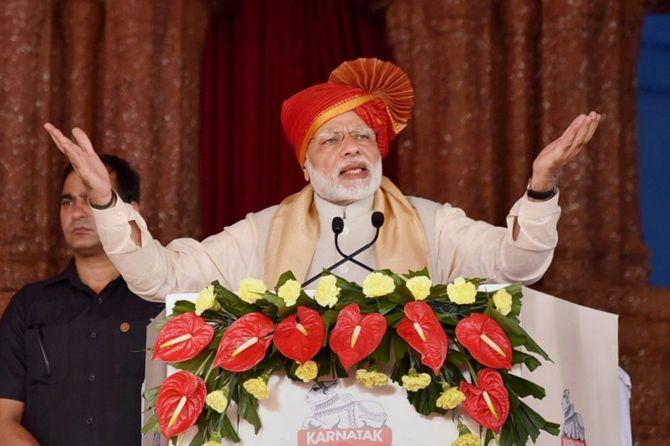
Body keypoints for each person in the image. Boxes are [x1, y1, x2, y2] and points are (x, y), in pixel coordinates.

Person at [43, 58, 601, 302]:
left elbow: (517, 265)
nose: (351, 147)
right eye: (330, 139)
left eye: (362, 135)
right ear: (304, 166)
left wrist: (541, 187)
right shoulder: (260, 233)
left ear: (380, 150)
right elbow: (161, 280)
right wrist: (105, 201)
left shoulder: (434, 224)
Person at [0, 156, 163, 446]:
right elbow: (4, 420)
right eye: (67, 202)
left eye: (92, 200)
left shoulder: (160, 303)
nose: (77, 213)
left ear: (130, 213)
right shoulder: (29, 306)